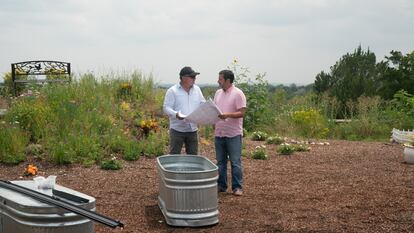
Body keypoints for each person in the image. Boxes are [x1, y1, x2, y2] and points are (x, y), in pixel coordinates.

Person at [214, 69, 247, 196]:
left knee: (235, 162)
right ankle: (221, 185)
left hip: (233, 134)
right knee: (220, 162)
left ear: (228, 80)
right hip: (219, 133)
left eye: (220, 79)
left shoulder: (238, 94)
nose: (218, 81)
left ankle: (237, 187)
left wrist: (227, 115)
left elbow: (242, 113)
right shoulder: (218, 93)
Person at [163, 66, 206, 155]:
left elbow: (202, 104)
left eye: (195, 77)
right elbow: (166, 108)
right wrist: (176, 114)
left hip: (192, 129)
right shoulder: (172, 91)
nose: (194, 79)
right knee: (174, 155)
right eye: (192, 77)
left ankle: (191, 170)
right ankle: (173, 169)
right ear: (183, 78)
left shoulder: (197, 89)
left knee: (193, 155)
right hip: (177, 129)